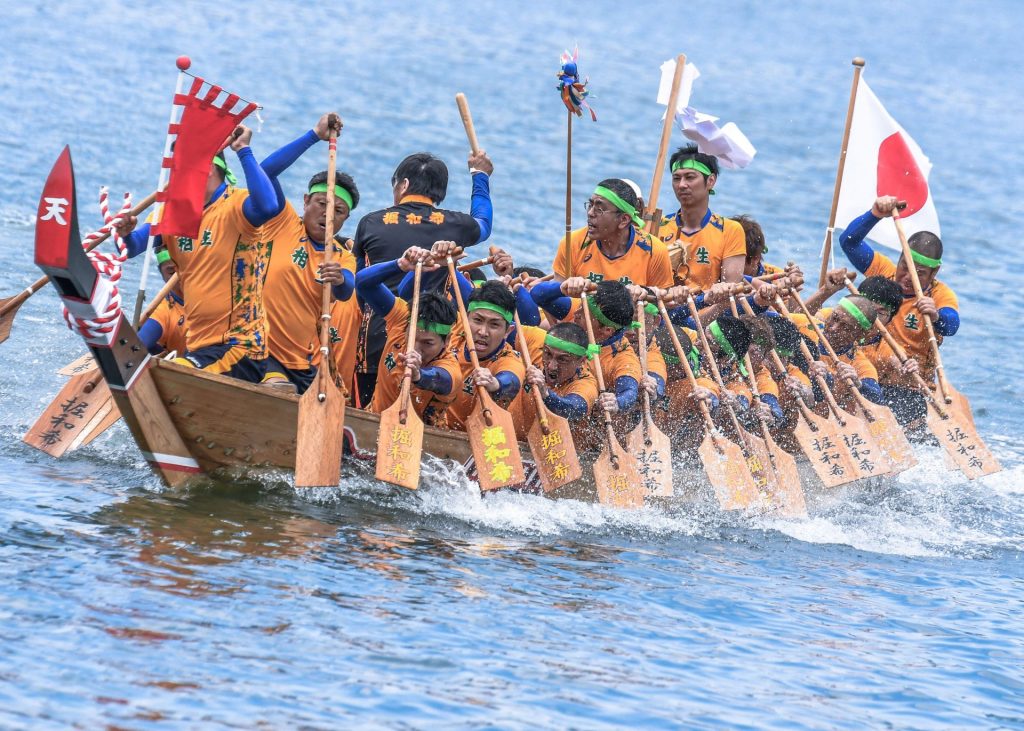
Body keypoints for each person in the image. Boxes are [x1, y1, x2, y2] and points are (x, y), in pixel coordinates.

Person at [116, 125, 279, 382]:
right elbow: (129, 248)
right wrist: (125, 232)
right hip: (198, 347)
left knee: (168, 376)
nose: (175, 178)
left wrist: (243, 151)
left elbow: (269, 206)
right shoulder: (170, 215)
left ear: (209, 169)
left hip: (240, 348)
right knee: (149, 372)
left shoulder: (235, 205)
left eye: (179, 169)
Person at [352, 150, 495, 406]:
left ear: (403, 184)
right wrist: (480, 175)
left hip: (374, 340)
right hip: (431, 343)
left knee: (363, 408)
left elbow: (359, 288)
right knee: (425, 407)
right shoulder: (455, 225)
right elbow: (483, 222)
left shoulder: (370, 222)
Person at [257, 113, 358, 394]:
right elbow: (264, 171)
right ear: (305, 201)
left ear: (345, 220)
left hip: (306, 362)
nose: (328, 213)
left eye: (338, 210)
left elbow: (347, 291)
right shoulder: (282, 221)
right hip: (260, 351)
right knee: (277, 389)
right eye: (321, 203)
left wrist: (338, 279)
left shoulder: (342, 256)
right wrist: (314, 135)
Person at [839, 195, 959, 382]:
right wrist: (875, 214)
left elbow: (951, 326)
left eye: (919, 272)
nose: (908, 277)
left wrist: (936, 316)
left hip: (909, 381)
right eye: (905, 266)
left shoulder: (939, 294)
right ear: (900, 258)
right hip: (862, 370)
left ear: (934, 273)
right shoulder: (883, 271)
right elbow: (849, 243)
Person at [355, 247, 463, 426]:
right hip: (374, 419)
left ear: (447, 341)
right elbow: (363, 283)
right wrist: (400, 265)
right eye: (412, 338)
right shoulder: (401, 317)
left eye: (428, 343)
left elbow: (442, 380)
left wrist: (419, 375)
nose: (416, 348)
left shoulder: (449, 368)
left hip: (421, 439)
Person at [531, 278, 642, 424]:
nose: (576, 314)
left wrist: (617, 402)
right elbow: (537, 294)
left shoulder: (623, 358)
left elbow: (629, 393)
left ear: (607, 330)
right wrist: (561, 288)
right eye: (580, 308)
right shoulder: (583, 307)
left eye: (583, 314)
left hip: (579, 421)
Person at [658, 144, 745, 303]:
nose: (682, 185)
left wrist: (719, 291)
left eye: (690, 177)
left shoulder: (730, 230)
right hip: (665, 310)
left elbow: (731, 290)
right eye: (676, 178)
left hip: (706, 312)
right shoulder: (658, 226)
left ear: (710, 181)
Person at [551, 178, 673, 289]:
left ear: (624, 220)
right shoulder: (572, 242)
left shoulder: (655, 251)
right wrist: (567, 288)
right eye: (590, 205)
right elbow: (555, 301)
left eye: (599, 209)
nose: (590, 213)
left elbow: (662, 306)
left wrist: (645, 294)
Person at [445, 280, 525, 432]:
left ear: (508, 331)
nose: (483, 332)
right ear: (466, 318)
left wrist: (495, 384)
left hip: (470, 437)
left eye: (494, 325)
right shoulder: (452, 330)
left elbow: (512, 381)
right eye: (478, 320)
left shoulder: (509, 360)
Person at [787, 295, 885, 411]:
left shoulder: (861, 366)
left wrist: (859, 385)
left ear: (861, 335)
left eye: (846, 327)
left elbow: (878, 402)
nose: (834, 328)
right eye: (835, 318)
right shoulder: (801, 324)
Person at [510, 322, 599, 445]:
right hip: (513, 446)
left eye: (562, 359)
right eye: (547, 354)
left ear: (582, 361)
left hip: (556, 456)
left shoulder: (586, 384)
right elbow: (497, 326)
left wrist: (545, 394)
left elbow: (573, 410)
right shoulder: (535, 340)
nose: (551, 366)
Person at [139, 247, 187, 356]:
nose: (180, 276)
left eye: (186, 269)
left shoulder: (224, 294)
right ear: (162, 275)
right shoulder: (162, 312)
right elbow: (138, 346)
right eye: (171, 272)